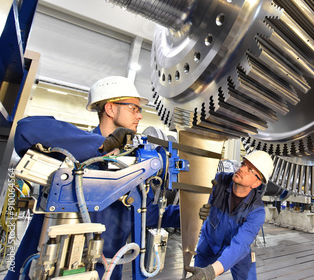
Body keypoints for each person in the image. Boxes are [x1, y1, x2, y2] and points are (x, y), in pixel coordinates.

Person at [7, 76, 179, 280]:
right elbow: (26, 130)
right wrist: (101, 145)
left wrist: (194, 212)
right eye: (134, 108)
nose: (140, 116)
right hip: (48, 269)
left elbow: (147, 214)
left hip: (102, 273)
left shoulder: (133, 166)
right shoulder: (71, 150)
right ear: (110, 109)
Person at [185, 151, 274, 280]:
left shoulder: (256, 211)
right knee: (198, 276)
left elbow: (240, 244)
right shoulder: (218, 182)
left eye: (249, 170)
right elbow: (195, 203)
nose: (241, 169)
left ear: (256, 183)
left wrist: (211, 272)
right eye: (243, 164)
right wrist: (198, 208)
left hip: (236, 249)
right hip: (209, 243)